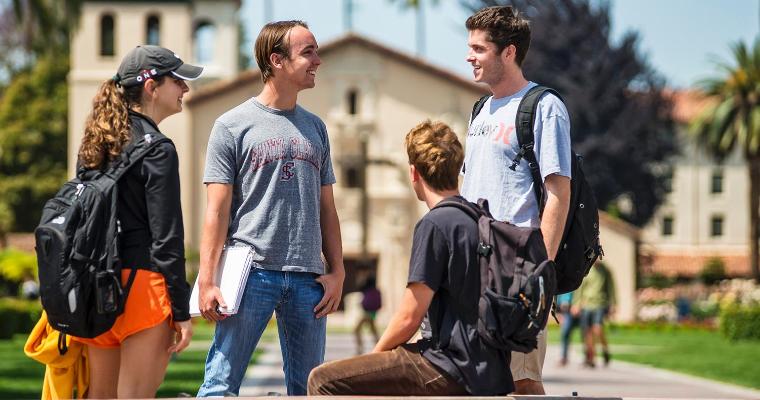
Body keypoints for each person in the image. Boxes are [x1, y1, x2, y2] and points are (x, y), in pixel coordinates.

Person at [307, 121, 513, 396]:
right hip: (489, 369)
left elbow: (410, 316)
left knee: (322, 380)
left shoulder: (435, 224)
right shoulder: (478, 219)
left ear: (414, 173)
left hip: (448, 367)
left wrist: (375, 357)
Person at [197, 20, 345, 396]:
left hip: (308, 279)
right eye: (308, 52)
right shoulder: (231, 126)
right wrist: (207, 280)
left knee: (309, 389)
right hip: (251, 275)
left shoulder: (316, 128)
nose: (318, 60)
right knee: (219, 386)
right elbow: (215, 211)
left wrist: (338, 271)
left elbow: (327, 207)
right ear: (277, 60)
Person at [71, 45, 201, 398]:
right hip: (144, 288)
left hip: (99, 287)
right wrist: (181, 309)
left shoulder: (96, 144)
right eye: (178, 80)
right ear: (151, 87)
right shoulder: (159, 148)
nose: (185, 89)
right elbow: (167, 237)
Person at [462, 5, 572, 395]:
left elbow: (559, 193)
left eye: (479, 48)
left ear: (508, 52)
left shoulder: (544, 107)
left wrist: (540, 272)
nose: (468, 56)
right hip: (474, 270)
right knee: (476, 380)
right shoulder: (480, 110)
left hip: (517, 270)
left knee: (522, 382)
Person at [572, 262, 615, 367]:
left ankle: (605, 350)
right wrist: (576, 303)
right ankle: (591, 358)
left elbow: (611, 288)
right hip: (586, 305)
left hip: (600, 304)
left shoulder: (605, 270)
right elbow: (580, 288)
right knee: (588, 333)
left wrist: (613, 304)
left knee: (598, 329)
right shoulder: (586, 268)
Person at [354, 276, 381, 354]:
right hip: (373, 313)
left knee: (357, 330)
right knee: (373, 331)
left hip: (367, 313)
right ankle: (380, 348)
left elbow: (359, 287)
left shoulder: (368, 290)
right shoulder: (376, 291)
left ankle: (360, 349)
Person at [557, 292, 580, 367]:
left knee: (585, 332)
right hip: (565, 310)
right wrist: (558, 311)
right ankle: (564, 357)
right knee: (565, 333)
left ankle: (589, 357)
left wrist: (576, 304)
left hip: (575, 308)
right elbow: (558, 293)